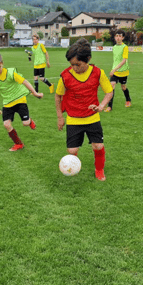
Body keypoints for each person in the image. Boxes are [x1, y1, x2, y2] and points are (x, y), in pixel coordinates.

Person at [55, 38, 113, 181]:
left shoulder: (98, 73)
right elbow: (58, 96)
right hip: (73, 119)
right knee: (72, 150)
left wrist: (101, 106)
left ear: (88, 59)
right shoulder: (65, 76)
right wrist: (60, 117)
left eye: (78, 64)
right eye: (72, 64)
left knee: (98, 146)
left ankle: (99, 169)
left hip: (92, 118)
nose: (74, 68)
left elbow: (109, 92)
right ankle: (71, 167)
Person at [0, 53, 43, 151]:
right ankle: (18, 144)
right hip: (7, 103)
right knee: (6, 124)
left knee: (25, 123)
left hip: (19, 99)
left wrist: (35, 93)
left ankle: (29, 121)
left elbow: (24, 81)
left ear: (2, 64)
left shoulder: (11, 73)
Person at [106, 29, 131, 111]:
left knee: (123, 87)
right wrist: (113, 70)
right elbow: (115, 60)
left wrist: (114, 69)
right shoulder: (114, 47)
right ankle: (109, 106)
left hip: (123, 71)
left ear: (123, 38)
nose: (118, 38)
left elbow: (124, 61)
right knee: (111, 86)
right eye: (116, 36)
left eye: (120, 36)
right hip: (115, 72)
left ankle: (128, 100)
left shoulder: (125, 47)